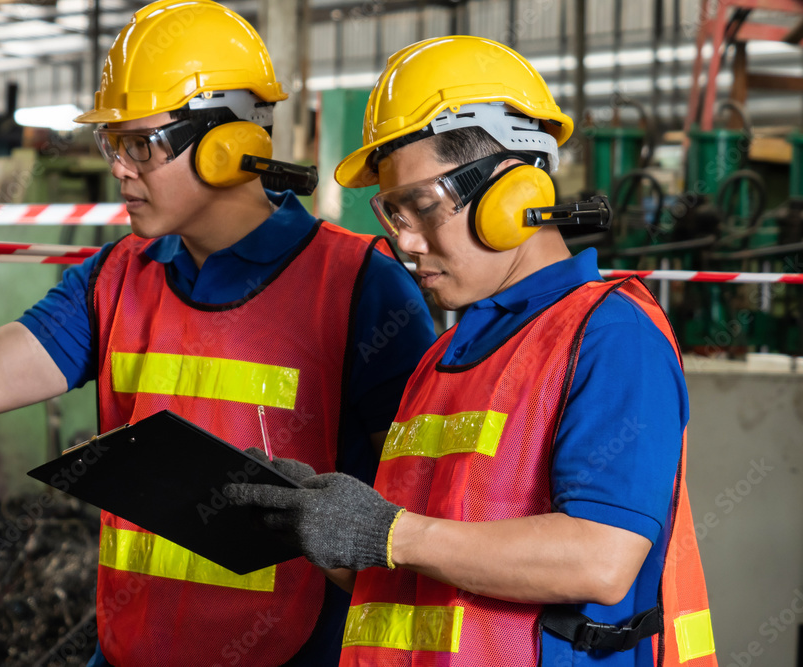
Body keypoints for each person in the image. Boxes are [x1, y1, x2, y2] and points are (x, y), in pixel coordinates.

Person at [0, 2, 436, 665]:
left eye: (141, 144)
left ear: (230, 147)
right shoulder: (112, 280)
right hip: (132, 649)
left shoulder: (361, 288)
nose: (120, 167)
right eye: (114, 144)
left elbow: (418, 515)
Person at [226, 35, 718, 667]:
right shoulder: (449, 354)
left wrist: (389, 532)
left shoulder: (608, 335)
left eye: (422, 208)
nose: (405, 242)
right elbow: (415, 573)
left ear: (512, 194)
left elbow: (600, 559)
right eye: (391, 213)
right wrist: (320, 523)